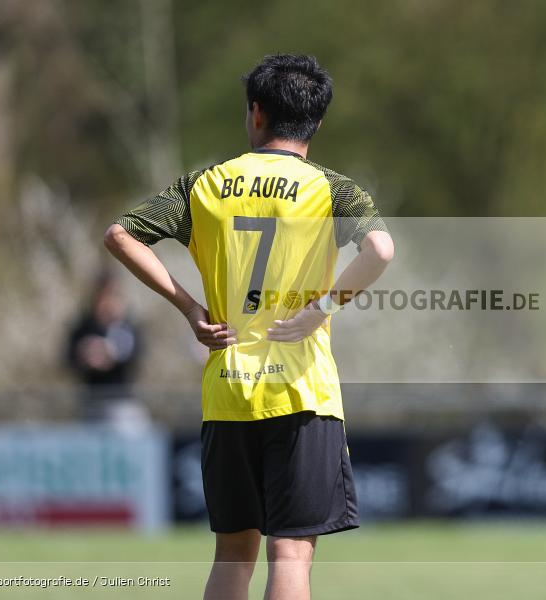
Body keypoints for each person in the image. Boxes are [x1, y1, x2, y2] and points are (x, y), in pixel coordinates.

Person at [104, 54, 394, 600]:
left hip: (228, 392)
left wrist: (190, 308)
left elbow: (120, 235)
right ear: (317, 123)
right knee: (291, 555)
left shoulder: (206, 183)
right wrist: (320, 309)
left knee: (233, 555)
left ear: (255, 114)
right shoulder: (331, 189)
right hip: (302, 392)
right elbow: (380, 249)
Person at [66, 270, 148, 428]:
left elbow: (137, 354)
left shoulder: (128, 326)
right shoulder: (84, 327)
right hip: (91, 403)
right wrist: (85, 355)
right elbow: (68, 359)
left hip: (122, 403)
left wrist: (111, 355)